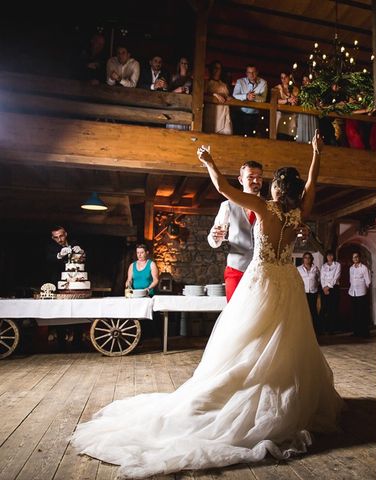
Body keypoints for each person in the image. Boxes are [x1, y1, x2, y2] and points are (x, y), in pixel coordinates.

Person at [71, 130, 343, 479]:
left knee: (247, 338)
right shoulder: (298, 213)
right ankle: (279, 389)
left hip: (260, 281)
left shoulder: (264, 207)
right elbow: (312, 183)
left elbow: (224, 190)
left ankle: (243, 385)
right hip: (287, 281)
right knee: (286, 340)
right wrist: (317, 153)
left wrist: (210, 162)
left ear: (276, 188)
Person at [207, 159, 263, 301]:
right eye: (250, 177)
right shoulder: (227, 205)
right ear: (241, 179)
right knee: (234, 314)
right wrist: (215, 236)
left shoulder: (268, 206)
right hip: (236, 269)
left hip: (261, 271)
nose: (256, 180)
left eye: (259, 177)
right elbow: (214, 241)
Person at [46, 226, 86, 345]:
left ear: (66, 234)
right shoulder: (51, 247)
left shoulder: (75, 243)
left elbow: (84, 259)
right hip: (60, 283)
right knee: (60, 311)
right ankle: (61, 340)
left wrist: (82, 252)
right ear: (52, 238)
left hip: (77, 283)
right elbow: (49, 259)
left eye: (61, 236)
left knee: (78, 310)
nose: (59, 239)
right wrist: (59, 255)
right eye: (56, 237)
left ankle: (78, 339)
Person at [232, 64, 267, 137]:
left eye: (253, 72)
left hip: (254, 115)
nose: (251, 74)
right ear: (246, 73)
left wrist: (253, 97)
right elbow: (235, 95)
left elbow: (263, 99)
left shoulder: (263, 83)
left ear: (257, 72)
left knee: (251, 138)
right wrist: (246, 96)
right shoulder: (240, 81)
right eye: (249, 72)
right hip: (240, 114)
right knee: (238, 136)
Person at [204, 60, 233, 134]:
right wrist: (215, 95)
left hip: (225, 113)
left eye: (219, 68)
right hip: (213, 113)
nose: (217, 70)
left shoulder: (224, 85)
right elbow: (203, 94)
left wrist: (229, 98)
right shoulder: (207, 83)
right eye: (215, 68)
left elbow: (227, 96)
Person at [348, 252, 371, 338]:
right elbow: (351, 280)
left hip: (361, 293)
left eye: (357, 257)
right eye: (354, 257)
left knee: (362, 314)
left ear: (359, 258)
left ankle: (364, 333)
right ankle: (356, 332)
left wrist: (364, 289)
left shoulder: (364, 268)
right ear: (352, 259)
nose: (355, 258)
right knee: (355, 313)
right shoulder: (351, 268)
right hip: (353, 293)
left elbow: (368, 281)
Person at [297, 251, 321, 334]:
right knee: (304, 311)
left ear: (311, 259)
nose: (307, 259)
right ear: (303, 259)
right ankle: (304, 330)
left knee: (313, 310)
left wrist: (315, 286)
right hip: (303, 293)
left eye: (309, 258)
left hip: (313, 292)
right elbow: (297, 281)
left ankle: (316, 330)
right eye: (305, 258)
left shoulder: (315, 268)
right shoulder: (299, 269)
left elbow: (318, 279)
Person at [320, 250, 341, 334]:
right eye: (328, 255)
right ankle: (323, 328)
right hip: (324, 289)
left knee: (333, 309)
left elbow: (336, 277)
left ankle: (332, 329)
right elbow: (322, 278)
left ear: (333, 256)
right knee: (324, 309)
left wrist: (328, 287)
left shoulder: (337, 265)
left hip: (334, 289)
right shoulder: (323, 266)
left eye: (331, 255)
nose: (329, 257)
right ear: (326, 256)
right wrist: (324, 288)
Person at [274, 71, 298, 141]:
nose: (283, 80)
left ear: (289, 77)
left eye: (285, 77)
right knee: (280, 137)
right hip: (280, 116)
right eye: (282, 78)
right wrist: (287, 100)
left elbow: (295, 103)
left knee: (290, 138)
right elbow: (275, 101)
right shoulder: (277, 88)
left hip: (291, 117)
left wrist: (293, 99)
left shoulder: (295, 89)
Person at [295, 74, 319, 144]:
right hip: (302, 113)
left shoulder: (314, 92)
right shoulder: (300, 91)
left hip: (312, 113)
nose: (305, 82)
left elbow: (317, 103)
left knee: (312, 131)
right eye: (303, 80)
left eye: (307, 80)